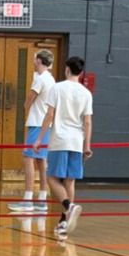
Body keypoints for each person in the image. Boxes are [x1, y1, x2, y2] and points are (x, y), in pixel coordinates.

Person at [33, 55, 92, 238]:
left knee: (51, 179)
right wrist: (87, 146)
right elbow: (88, 122)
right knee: (69, 181)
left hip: (59, 140)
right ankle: (63, 223)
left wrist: (39, 139)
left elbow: (49, 115)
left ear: (67, 69)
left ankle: (68, 206)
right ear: (81, 73)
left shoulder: (57, 88)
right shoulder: (86, 93)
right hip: (76, 142)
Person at [7, 50, 55, 215]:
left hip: (36, 124)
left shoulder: (40, 80)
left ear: (39, 60)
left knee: (28, 160)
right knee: (41, 162)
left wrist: (26, 104)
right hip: (46, 126)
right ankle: (41, 200)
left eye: (35, 59)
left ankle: (27, 200)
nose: (33, 61)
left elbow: (27, 102)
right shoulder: (51, 79)